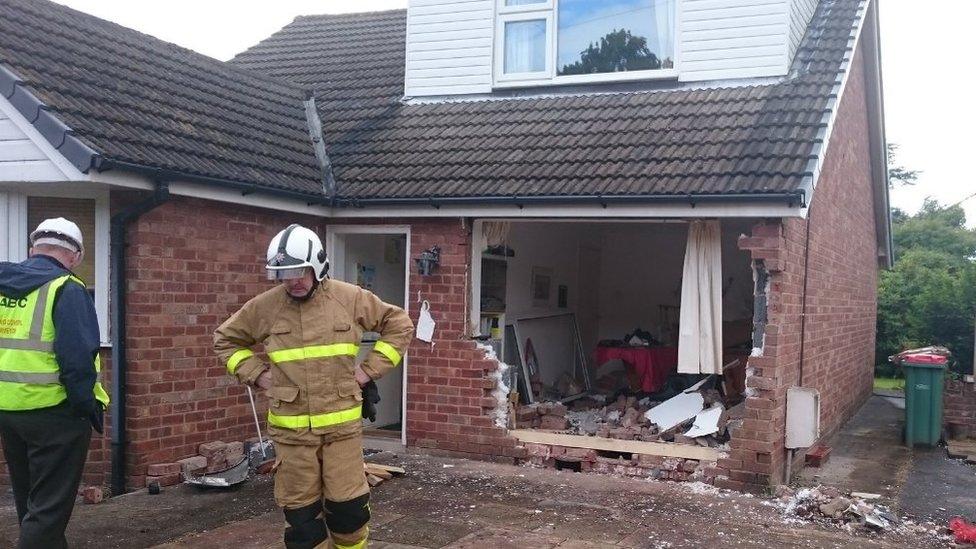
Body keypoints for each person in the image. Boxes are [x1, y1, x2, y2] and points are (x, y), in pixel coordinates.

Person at [214, 224, 413, 549]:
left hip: (341, 430)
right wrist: (258, 374)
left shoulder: (348, 298)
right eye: (283, 274)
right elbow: (225, 340)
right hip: (292, 436)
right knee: (303, 523)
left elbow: (399, 324)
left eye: (298, 271)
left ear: (317, 265)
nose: (292, 280)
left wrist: (367, 372)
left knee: (348, 514)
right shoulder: (265, 307)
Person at [0, 217, 109, 549]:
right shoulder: (67, 289)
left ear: (33, 249)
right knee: (48, 511)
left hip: (8, 410)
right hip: (55, 414)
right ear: (75, 256)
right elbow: (77, 361)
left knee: (32, 503)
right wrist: (84, 408)